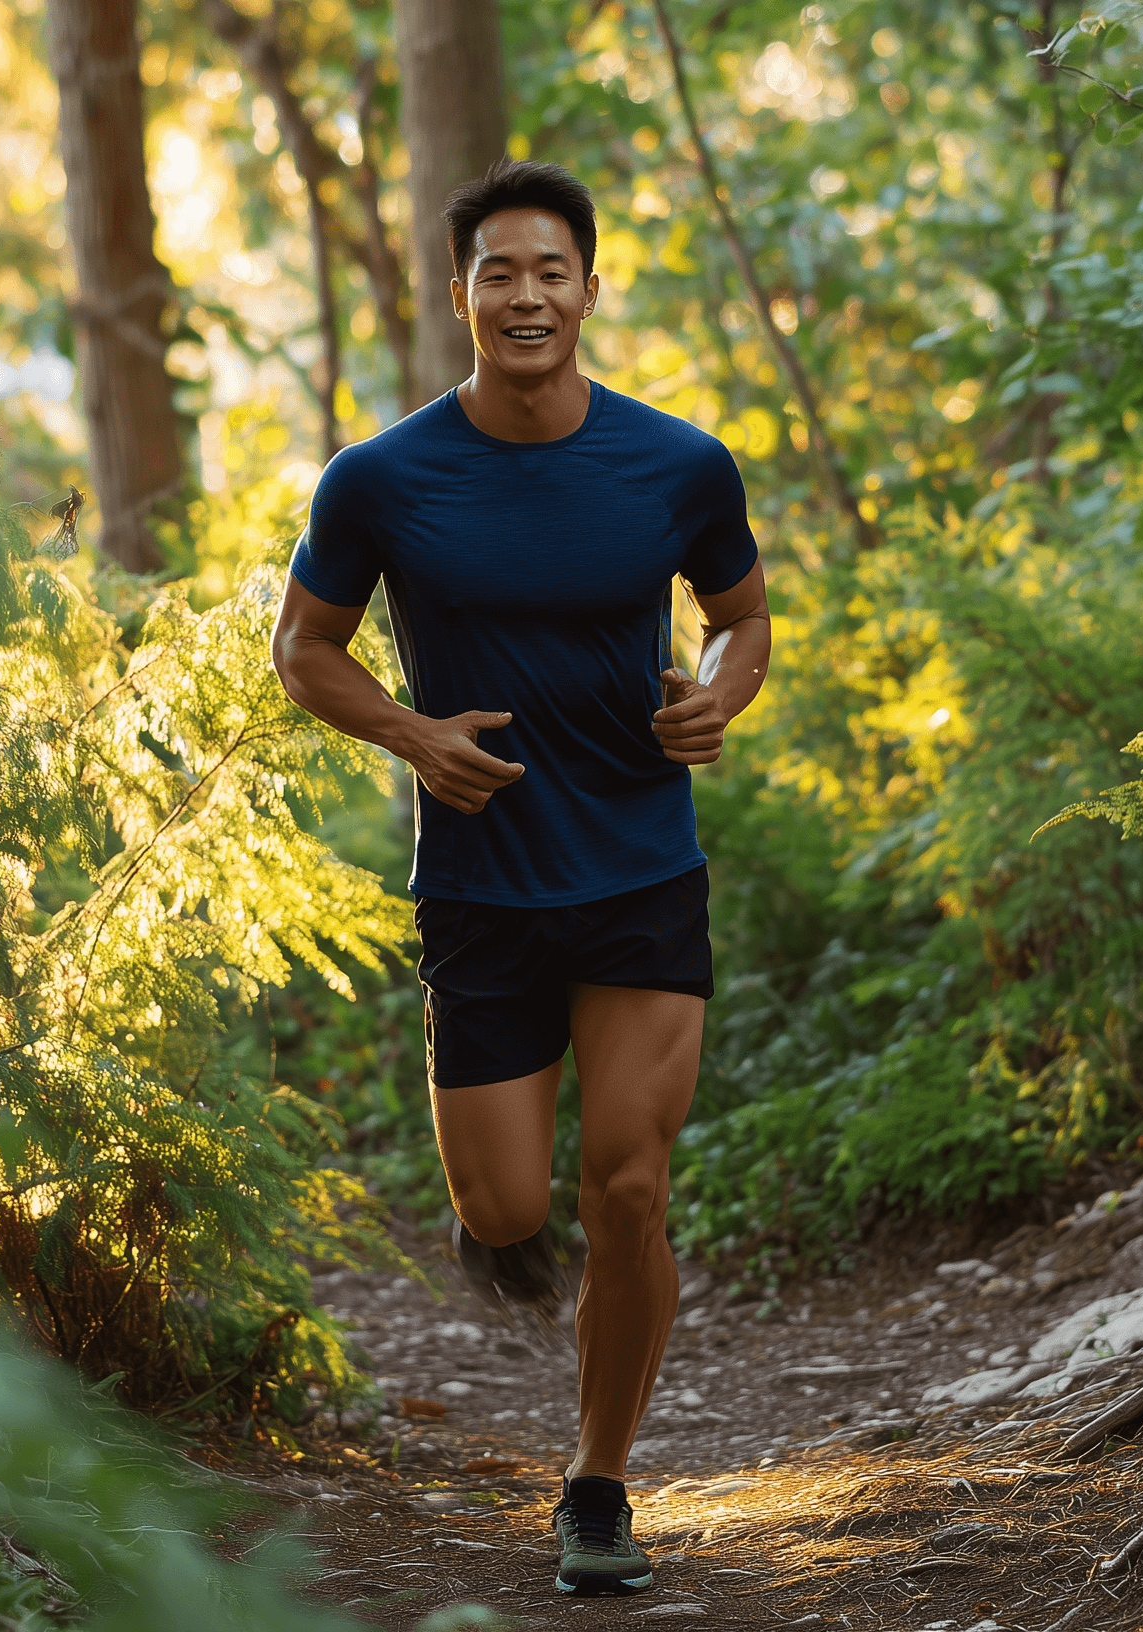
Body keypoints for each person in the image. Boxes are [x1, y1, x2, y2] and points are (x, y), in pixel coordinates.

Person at [269, 156, 771, 1598]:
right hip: (483, 884)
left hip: (635, 867)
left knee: (626, 1183)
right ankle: (494, 1223)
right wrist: (411, 733)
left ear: (590, 290)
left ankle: (598, 1487)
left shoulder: (677, 465)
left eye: (553, 269)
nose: (528, 293)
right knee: (505, 1210)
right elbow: (305, 647)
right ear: (463, 294)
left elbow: (745, 622)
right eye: (501, 270)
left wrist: (720, 698)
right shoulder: (381, 478)